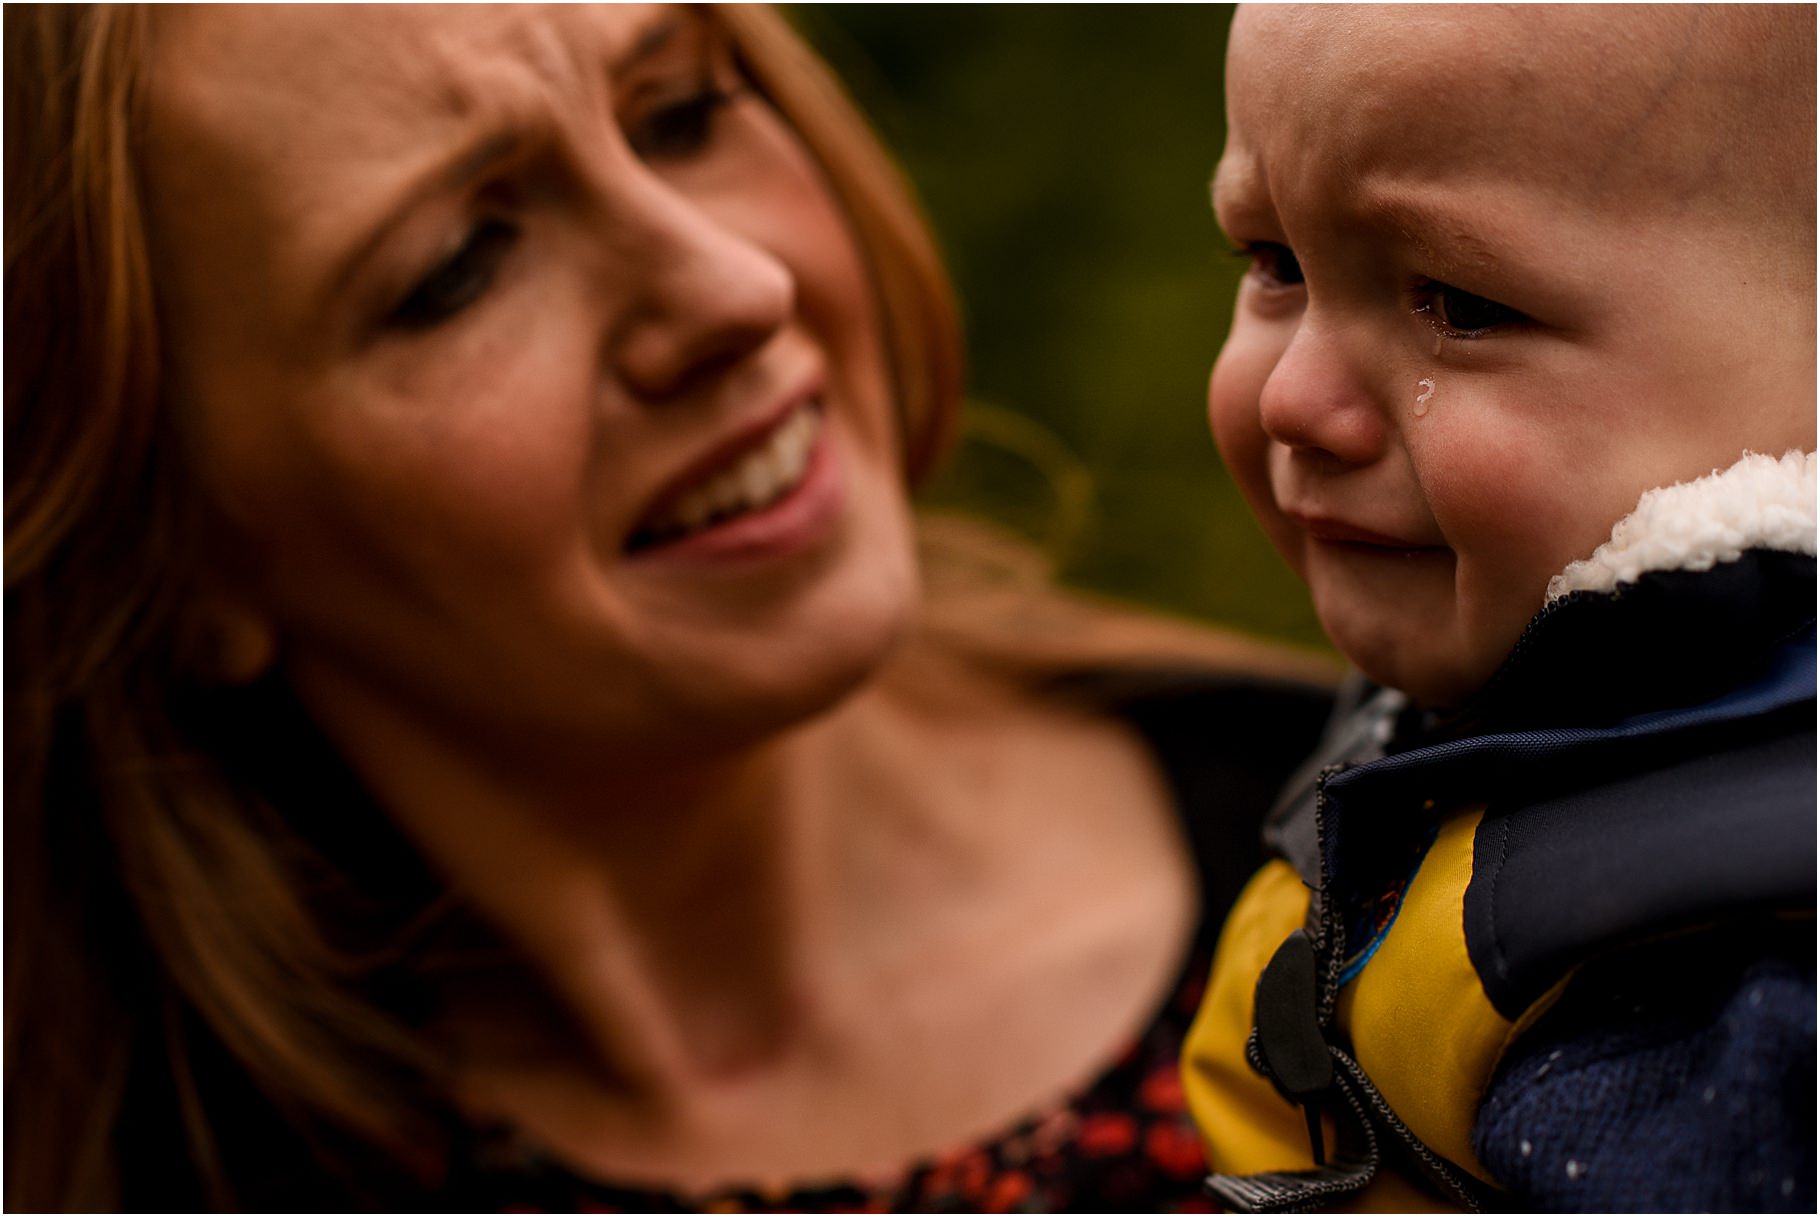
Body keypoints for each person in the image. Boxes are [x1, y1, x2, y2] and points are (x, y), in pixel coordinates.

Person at [4, 4, 1339, 1210]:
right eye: (459, 265)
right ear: (172, 550)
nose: (730, 289)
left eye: (683, 112)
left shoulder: (1432, 872)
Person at [1182, 5, 1817, 1211]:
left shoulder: (1728, 988)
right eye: (1274, 264)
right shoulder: (1513, 676)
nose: (1290, 400)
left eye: (1458, 305)